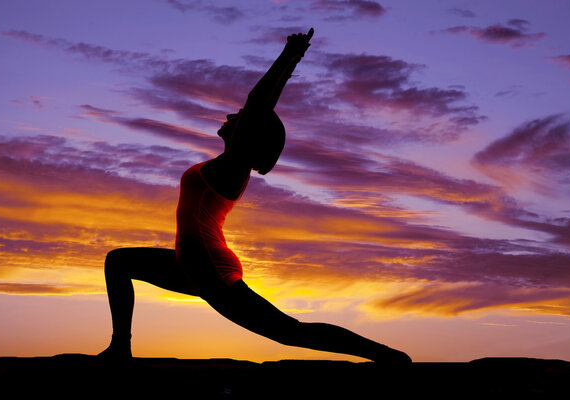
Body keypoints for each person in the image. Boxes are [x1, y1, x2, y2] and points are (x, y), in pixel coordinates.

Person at [98, 28, 412, 365]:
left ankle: (389, 357)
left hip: (209, 267)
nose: (231, 117)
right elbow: (254, 109)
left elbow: (258, 102)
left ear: (249, 133)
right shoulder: (223, 165)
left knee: (290, 332)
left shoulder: (234, 165)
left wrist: (289, 58)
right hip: (190, 263)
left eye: (239, 118)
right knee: (119, 261)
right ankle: (120, 347)